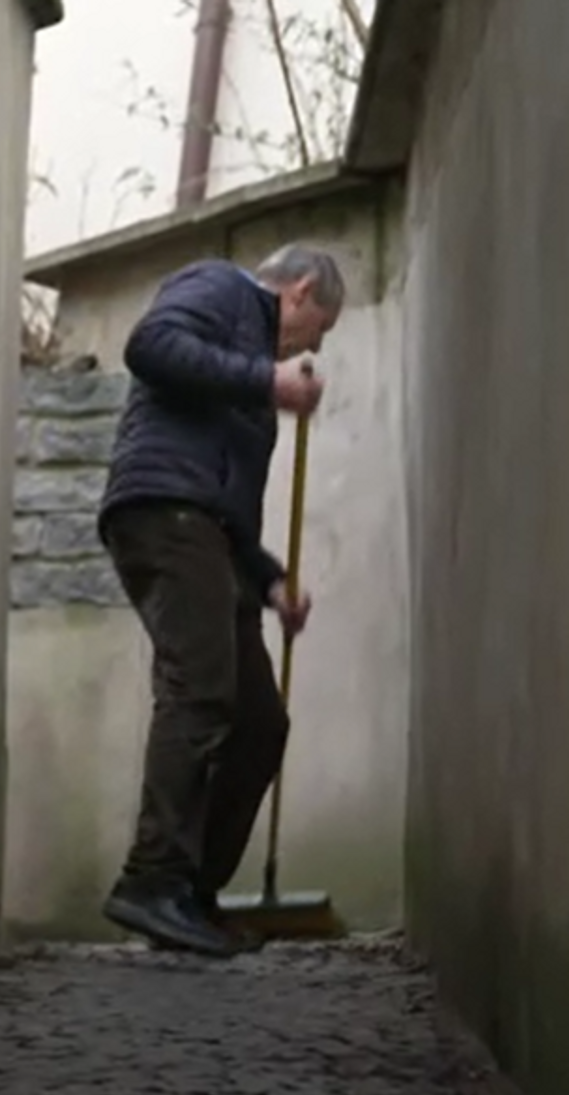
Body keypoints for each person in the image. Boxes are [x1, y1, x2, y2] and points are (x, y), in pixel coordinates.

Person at [96, 244, 342, 958]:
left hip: (206, 529)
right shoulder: (220, 288)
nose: (312, 346)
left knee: (260, 723)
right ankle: (152, 880)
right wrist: (265, 378)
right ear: (297, 292)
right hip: (164, 511)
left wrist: (269, 580)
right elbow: (150, 346)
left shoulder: (252, 384)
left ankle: (191, 892)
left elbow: (231, 511)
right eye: (317, 329)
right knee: (200, 688)